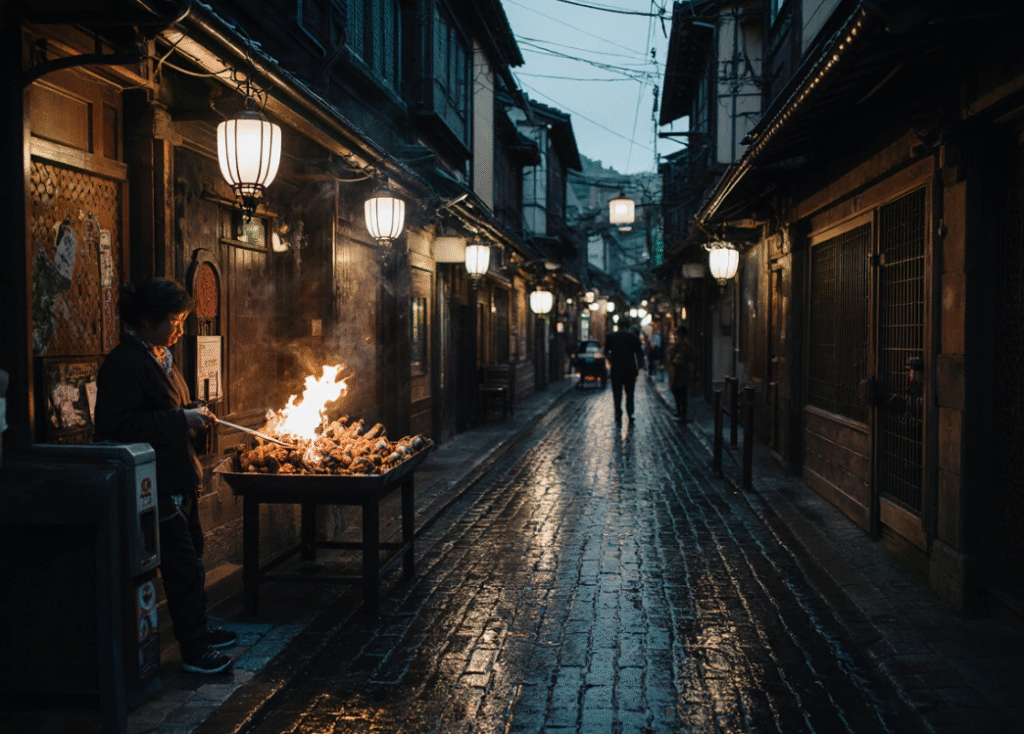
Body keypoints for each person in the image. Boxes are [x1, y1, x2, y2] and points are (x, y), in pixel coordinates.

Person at [94, 278, 237, 674]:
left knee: (193, 559)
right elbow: (117, 428)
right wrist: (180, 418)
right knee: (180, 566)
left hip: (179, 477)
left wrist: (190, 410)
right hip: (153, 485)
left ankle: (199, 628)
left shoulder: (161, 357)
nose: (179, 329)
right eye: (174, 321)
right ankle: (193, 650)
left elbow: (165, 410)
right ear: (146, 319)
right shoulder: (126, 363)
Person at [604, 317, 645, 421]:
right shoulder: (633, 337)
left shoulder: (611, 337)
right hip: (630, 369)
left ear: (618, 326)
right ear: (628, 326)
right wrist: (639, 367)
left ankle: (618, 412)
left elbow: (606, 352)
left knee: (617, 393)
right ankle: (630, 413)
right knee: (630, 393)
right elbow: (639, 354)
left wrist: (611, 361)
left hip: (616, 369)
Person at [669, 325, 697, 422]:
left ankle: (684, 414)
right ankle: (679, 411)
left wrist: (691, 374)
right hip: (677, 373)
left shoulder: (687, 345)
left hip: (683, 373)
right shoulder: (678, 345)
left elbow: (691, 360)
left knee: (682, 394)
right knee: (676, 392)